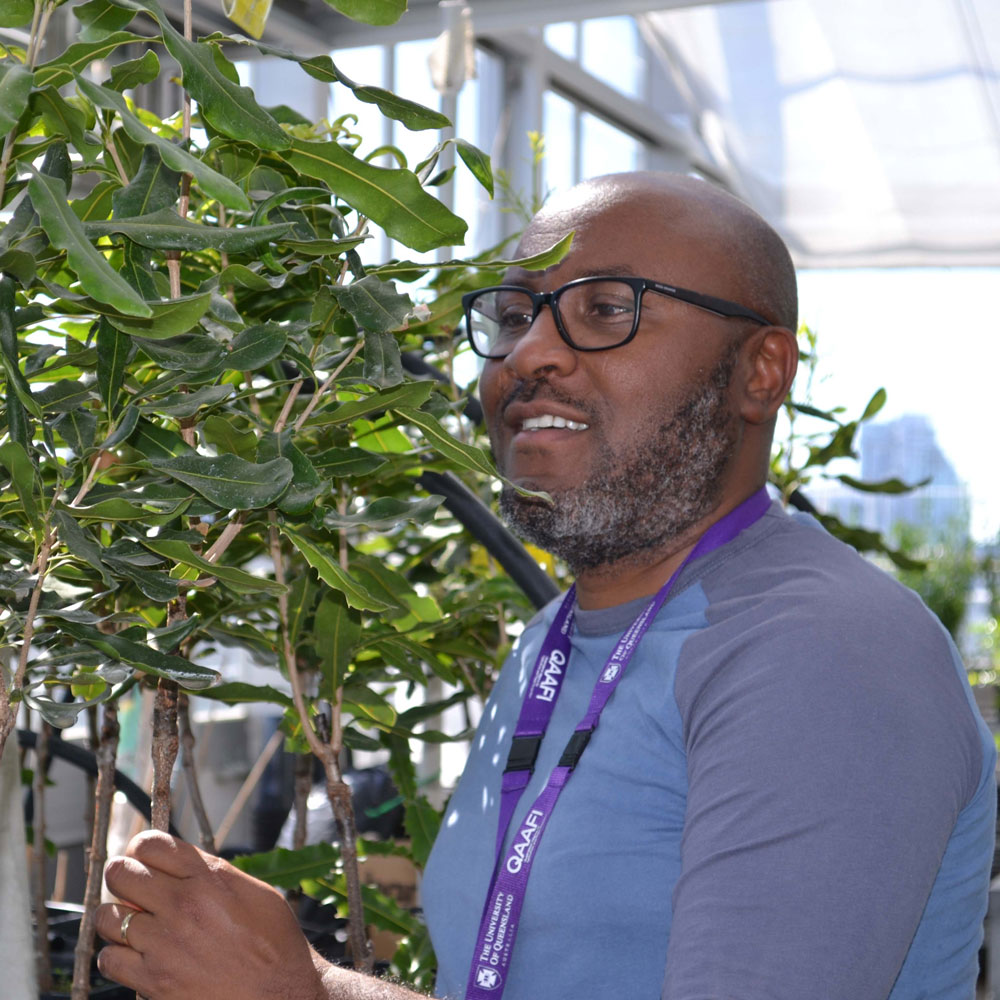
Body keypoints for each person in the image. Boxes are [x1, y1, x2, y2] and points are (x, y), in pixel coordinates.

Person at [95, 172, 996, 1000]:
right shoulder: (559, 639)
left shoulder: (819, 650)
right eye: (515, 313)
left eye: (607, 309)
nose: (529, 355)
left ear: (760, 372)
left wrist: (301, 994)